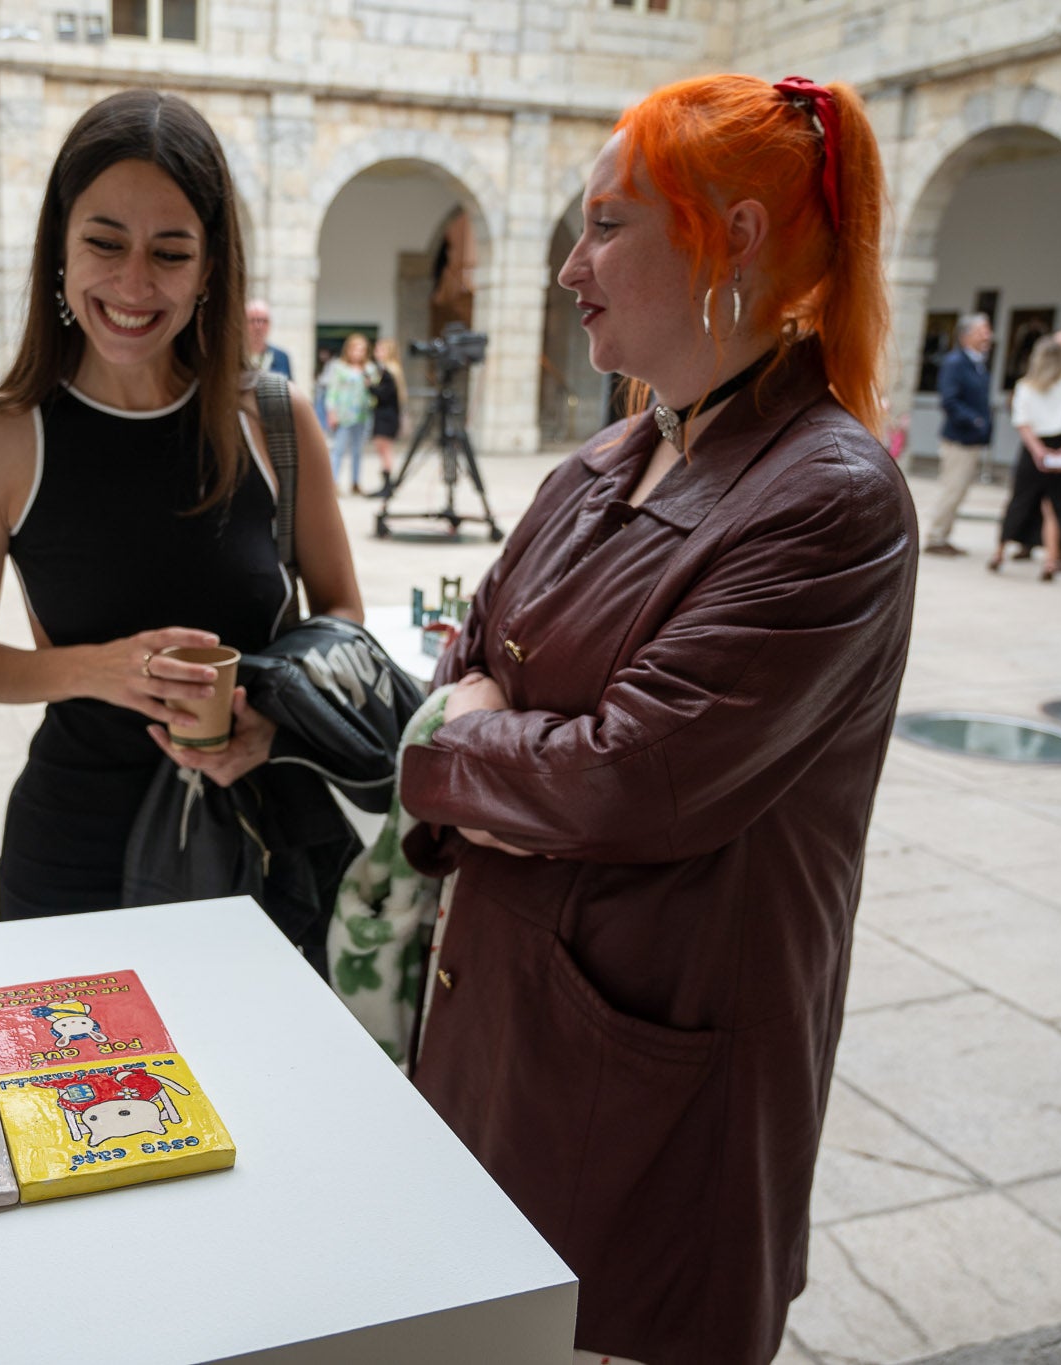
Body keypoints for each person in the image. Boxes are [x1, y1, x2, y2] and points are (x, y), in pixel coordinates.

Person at [398, 73, 917, 1365]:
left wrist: (460, 742)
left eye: (609, 226)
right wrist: (493, 731)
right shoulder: (609, 459)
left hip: (650, 1083)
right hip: (500, 1027)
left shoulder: (831, 497)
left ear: (733, 237)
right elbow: (471, 647)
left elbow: (627, 783)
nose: (573, 266)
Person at [0, 89, 362, 926]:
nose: (133, 283)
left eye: (170, 252)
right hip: (75, 851)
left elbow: (342, 613)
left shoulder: (272, 418)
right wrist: (98, 669)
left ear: (209, 270)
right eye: (103, 242)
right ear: (60, 245)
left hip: (265, 838)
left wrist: (271, 721)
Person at [992, 335, 1061, 579]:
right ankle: (1051, 560)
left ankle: (999, 552)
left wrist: (1038, 451)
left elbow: (1022, 422)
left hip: (1034, 448)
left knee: (1020, 501)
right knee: (1056, 506)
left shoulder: (1025, 385)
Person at [923, 311, 993, 555]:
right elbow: (949, 400)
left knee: (960, 489)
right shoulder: (955, 363)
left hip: (972, 439)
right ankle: (935, 537)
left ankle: (944, 536)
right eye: (982, 331)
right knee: (952, 488)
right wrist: (974, 420)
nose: (988, 336)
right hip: (959, 438)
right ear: (966, 335)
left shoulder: (977, 363)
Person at [320, 332, 377, 494]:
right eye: (355, 349)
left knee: (358, 450)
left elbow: (375, 393)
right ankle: (333, 482)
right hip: (343, 415)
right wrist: (331, 412)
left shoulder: (370, 369)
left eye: (362, 350)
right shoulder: (339, 367)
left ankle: (355, 482)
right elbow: (332, 391)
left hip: (362, 415)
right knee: (338, 449)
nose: (358, 353)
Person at [367, 337, 406, 495]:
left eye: (380, 349)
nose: (376, 353)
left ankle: (388, 485)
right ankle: (386, 484)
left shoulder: (389, 372)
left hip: (386, 416)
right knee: (384, 449)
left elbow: (384, 395)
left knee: (385, 450)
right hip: (387, 415)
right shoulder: (391, 370)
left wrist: (370, 387)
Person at [244, 298, 293, 378]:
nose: (258, 326)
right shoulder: (235, 356)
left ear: (270, 324)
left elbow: (288, 388)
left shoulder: (282, 358)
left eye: (263, 321)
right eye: (253, 320)